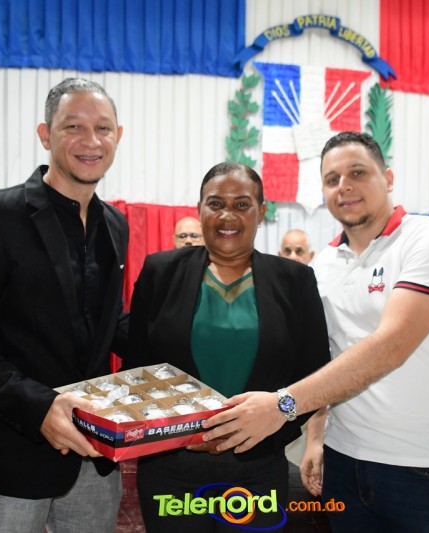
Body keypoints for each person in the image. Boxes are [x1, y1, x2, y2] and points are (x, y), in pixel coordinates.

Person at [204, 132, 429, 531]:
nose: (344, 186)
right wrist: (316, 438)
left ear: (388, 178)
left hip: (424, 466)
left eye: (357, 173)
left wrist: (281, 405)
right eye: (332, 179)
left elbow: (390, 346)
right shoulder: (323, 265)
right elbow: (325, 357)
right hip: (344, 460)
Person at [0, 78, 128, 532]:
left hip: (96, 457)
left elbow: (104, 323)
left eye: (103, 128)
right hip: (12, 454)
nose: (91, 140)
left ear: (118, 136)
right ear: (45, 135)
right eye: (73, 127)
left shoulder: (115, 224)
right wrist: (38, 408)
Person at [127, 162, 331, 532]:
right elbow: (138, 368)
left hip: (256, 470)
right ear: (200, 208)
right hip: (171, 469)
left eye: (241, 204)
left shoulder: (295, 280)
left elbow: (315, 372)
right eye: (216, 203)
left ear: (261, 211)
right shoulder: (160, 272)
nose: (227, 216)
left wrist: (273, 426)